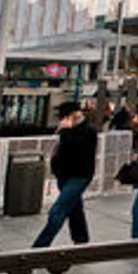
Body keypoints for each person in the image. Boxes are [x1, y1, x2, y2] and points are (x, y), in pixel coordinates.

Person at [32, 101, 97, 247]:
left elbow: (78, 151)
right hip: (64, 175)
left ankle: (40, 246)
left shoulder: (88, 131)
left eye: (61, 116)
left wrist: (65, 131)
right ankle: (81, 239)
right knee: (74, 208)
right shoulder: (67, 130)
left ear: (70, 116)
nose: (59, 120)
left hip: (79, 176)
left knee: (58, 210)